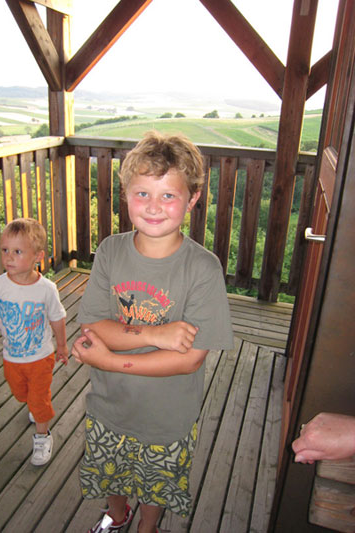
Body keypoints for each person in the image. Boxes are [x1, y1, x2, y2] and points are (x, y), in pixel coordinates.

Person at [72, 131, 234, 533]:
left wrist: (109, 359)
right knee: (109, 472)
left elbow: (189, 359)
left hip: (167, 418)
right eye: (142, 193)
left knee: (156, 485)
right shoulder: (110, 251)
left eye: (168, 195)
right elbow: (94, 324)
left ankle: (148, 526)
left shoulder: (203, 269)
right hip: (108, 406)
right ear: (126, 195)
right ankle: (117, 514)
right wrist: (153, 335)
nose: (154, 206)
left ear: (192, 200)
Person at [0, 218, 68, 466]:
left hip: (41, 357)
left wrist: (62, 345)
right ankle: (34, 405)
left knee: (39, 400)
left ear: (37, 256)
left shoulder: (46, 289)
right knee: (21, 394)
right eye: (5, 250)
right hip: (12, 357)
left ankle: (42, 435)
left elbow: (57, 318)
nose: (8, 257)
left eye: (17, 252)